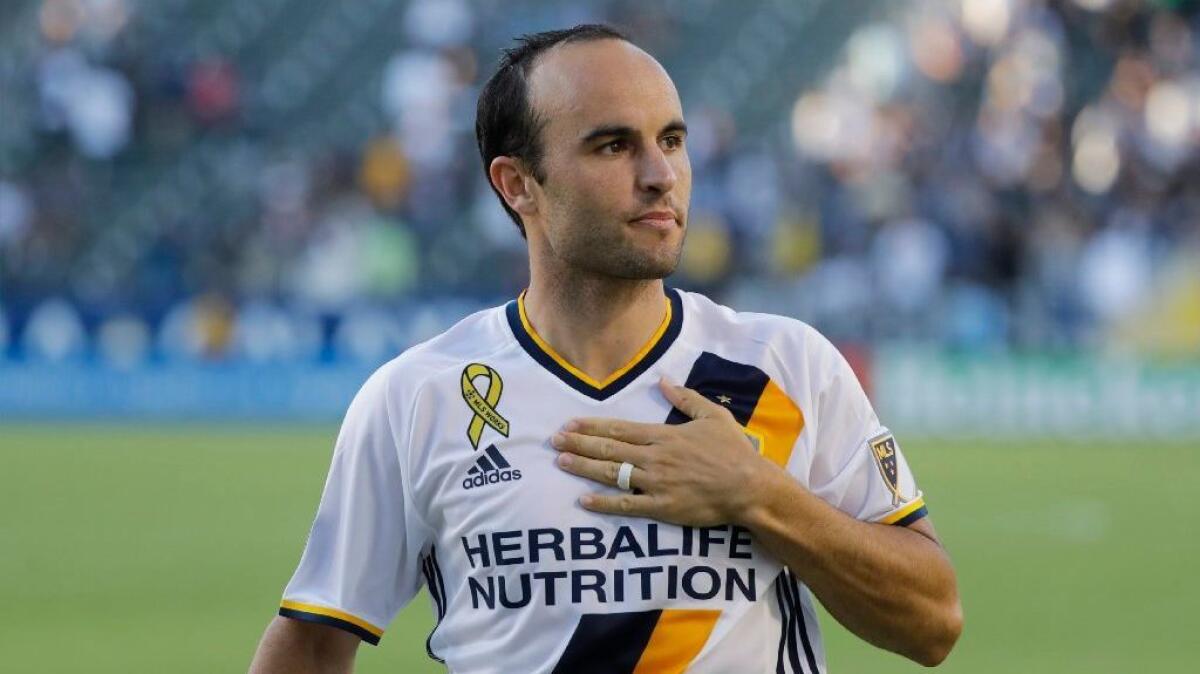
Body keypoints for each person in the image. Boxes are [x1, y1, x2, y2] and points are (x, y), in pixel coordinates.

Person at [248, 24, 962, 674]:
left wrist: (759, 494)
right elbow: (310, 644)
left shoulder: (784, 366)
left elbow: (932, 624)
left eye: (673, 140)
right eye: (614, 145)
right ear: (518, 184)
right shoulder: (421, 397)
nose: (661, 174)